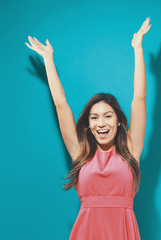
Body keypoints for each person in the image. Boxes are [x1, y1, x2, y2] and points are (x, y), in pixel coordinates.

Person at [25, 16, 151, 239]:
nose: (101, 123)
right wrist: (48, 59)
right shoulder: (80, 152)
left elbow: (139, 98)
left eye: (108, 116)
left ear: (119, 121)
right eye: (94, 118)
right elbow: (61, 105)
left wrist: (138, 48)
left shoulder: (131, 150)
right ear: (88, 124)